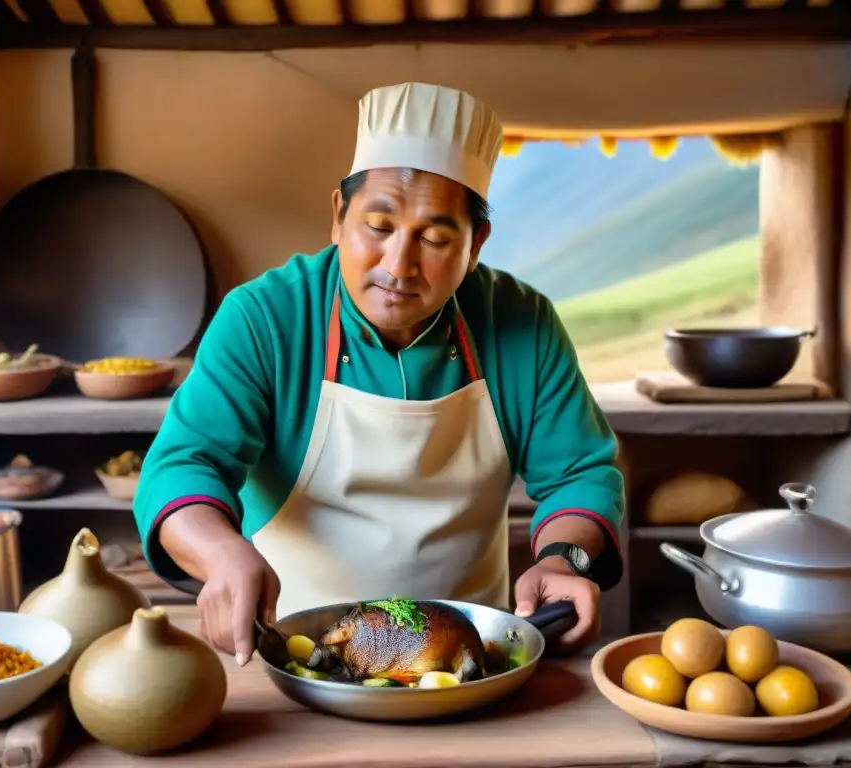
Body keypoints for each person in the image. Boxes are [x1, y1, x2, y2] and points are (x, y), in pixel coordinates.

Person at [133, 82, 625, 666]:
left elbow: (578, 472)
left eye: (436, 237)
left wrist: (563, 558)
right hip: (292, 644)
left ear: (476, 245)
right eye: (379, 225)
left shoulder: (522, 323)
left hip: (467, 657)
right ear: (339, 216)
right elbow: (184, 464)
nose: (398, 265)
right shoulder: (266, 317)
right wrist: (219, 552)